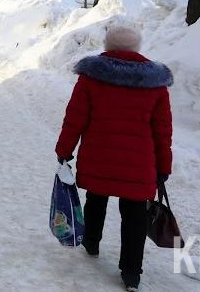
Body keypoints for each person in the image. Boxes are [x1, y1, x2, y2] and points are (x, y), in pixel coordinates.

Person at [55, 25, 173, 292]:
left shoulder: (92, 76)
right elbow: (163, 130)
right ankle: (131, 272)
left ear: (108, 46)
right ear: (137, 47)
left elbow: (75, 119)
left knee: (96, 197)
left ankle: (92, 242)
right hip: (139, 163)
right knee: (134, 214)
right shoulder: (155, 82)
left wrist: (64, 150)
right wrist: (163, 166)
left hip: (99, 156)